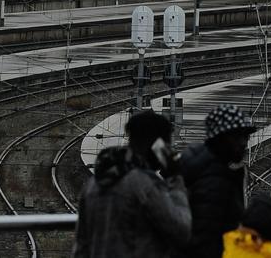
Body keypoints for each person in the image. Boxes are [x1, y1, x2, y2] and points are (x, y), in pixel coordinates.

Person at [73, 110, 191, 258]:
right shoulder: (143, 185)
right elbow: (181, 229)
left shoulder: (94, 184)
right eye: (166, 144)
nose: (168, 150)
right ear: (157, 144)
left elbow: (81, 246)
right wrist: (175, 178)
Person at [182, 104, 259, 258]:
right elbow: (206, 239)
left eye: (246, 136)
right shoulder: (213, 181)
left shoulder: (206, 167)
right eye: (237, 136)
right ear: (220, 139)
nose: (244, 143)